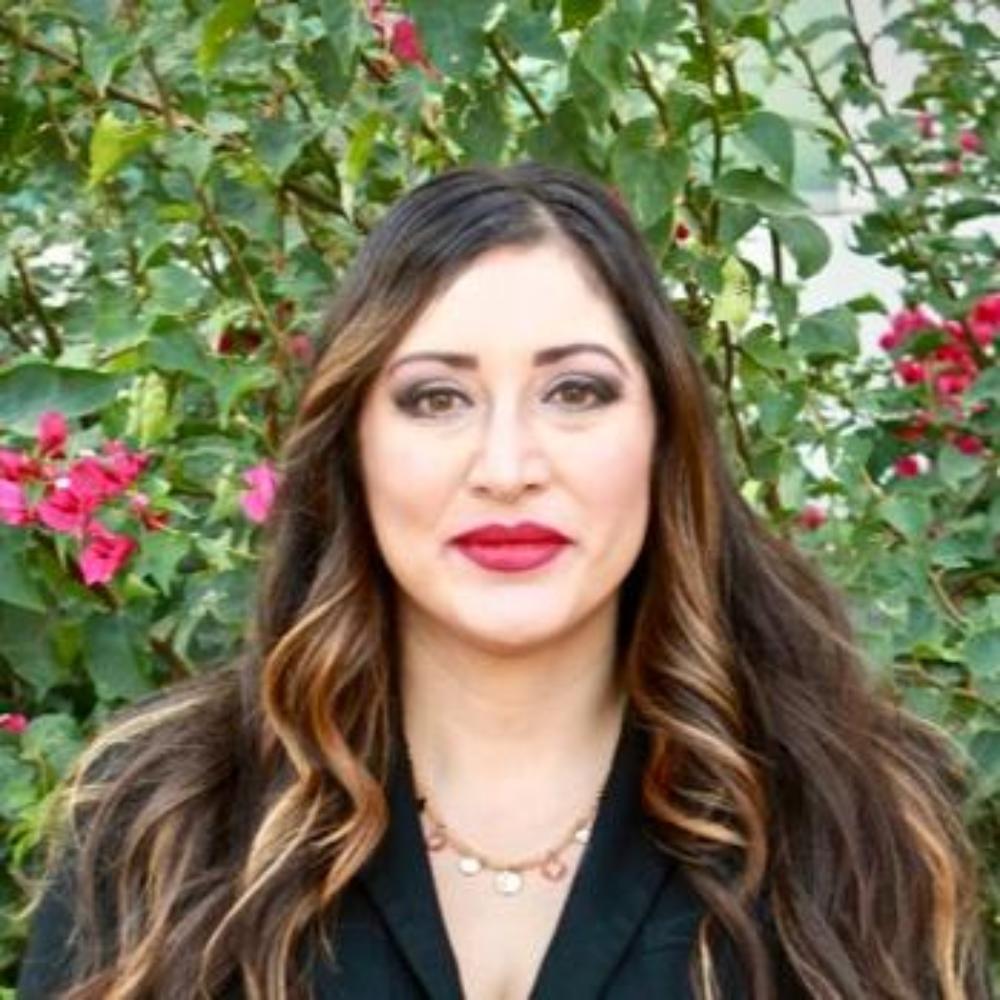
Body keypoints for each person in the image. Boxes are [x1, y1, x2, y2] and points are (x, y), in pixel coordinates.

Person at [16, 162, 992, 1000]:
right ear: (353, 447)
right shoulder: (160, 828)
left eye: (576, 391)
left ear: (664, 437)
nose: (508, 466)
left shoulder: (855, 824)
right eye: (436, 398)